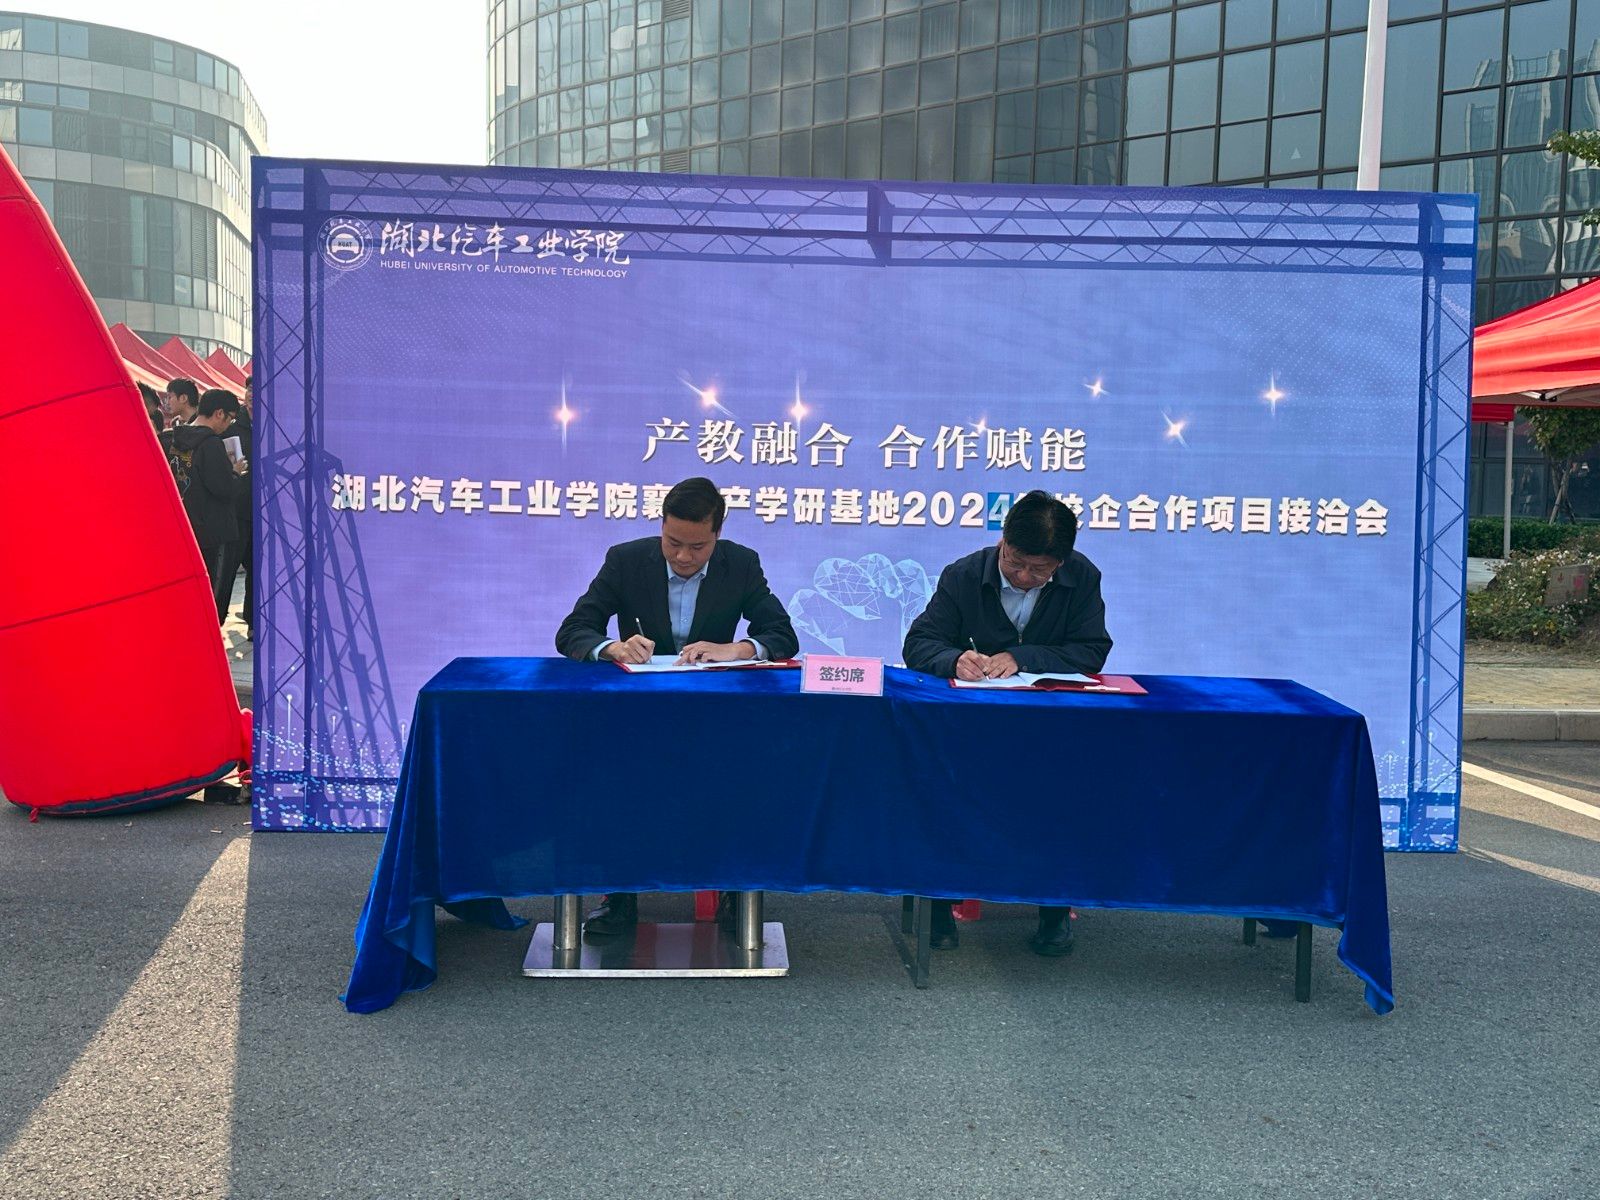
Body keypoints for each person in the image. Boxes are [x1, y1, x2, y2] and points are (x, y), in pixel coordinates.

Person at [555, 476, 799, 938]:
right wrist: (612, 647)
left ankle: (733, 889)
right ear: (661, 527)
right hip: (638, 715)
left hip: (713, 715)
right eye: (673, 543)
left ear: (717, 535)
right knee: (616, 779)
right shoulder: (626, 560)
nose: (684, 556)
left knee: (740, 774)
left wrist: (738, 649)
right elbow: (573, 630)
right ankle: (619, 896)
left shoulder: (741, 564)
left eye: (697, 547)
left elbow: (782, 635)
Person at [901, 489, 1112, 957]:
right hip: (971, 728)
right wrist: (954, 659)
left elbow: (1092, 650)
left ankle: (1053, 910)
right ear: (1003, 541)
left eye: (1040, 570)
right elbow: (919, 642)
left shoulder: (1082, 577)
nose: (1024, 577)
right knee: (945, 794)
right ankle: (939, 904)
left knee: (1057, 800)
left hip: (1047, 730)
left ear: (1061, 562)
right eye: (1016, 563)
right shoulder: (964, 574)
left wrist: (1023, 657)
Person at [169, 389, 248, 624]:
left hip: (186, 527)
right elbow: (224, 488)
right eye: (230, 418)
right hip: (213, 531)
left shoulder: (175, 439)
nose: (229, 424)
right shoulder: (211, 444)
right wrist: (235, 473)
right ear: (219, 413)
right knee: (212, 591)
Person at [218, 381, 254, 636]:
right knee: (227, 570)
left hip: (262, 511)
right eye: (249, 390)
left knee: (258, 570)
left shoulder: (273, 424)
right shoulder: (232, 427)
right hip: (236, 510)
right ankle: (217, 620)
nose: (252, 395)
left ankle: (254, 622)